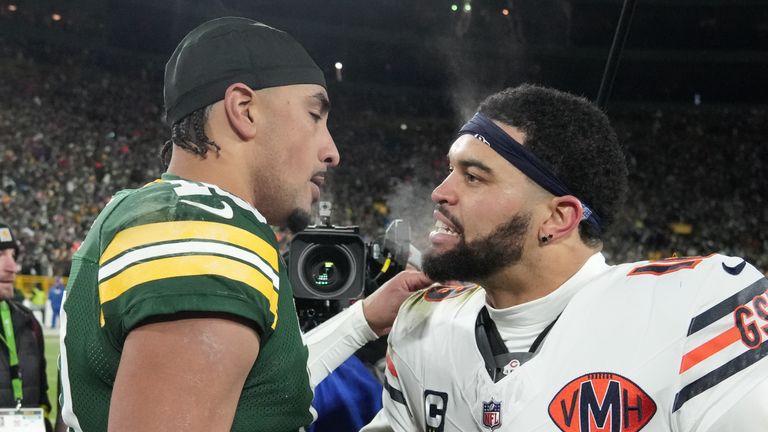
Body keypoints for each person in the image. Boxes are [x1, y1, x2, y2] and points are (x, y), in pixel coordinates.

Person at [59, 17, 430, 432]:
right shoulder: (208, 232)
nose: (332, 150)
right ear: (244, 110)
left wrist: (363, 319)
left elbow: (255, 390)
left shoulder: (151, 210)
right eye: (314, 115)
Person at [364, 84, 768, 431]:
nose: (440, 192)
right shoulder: (422, 322)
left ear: (558, 218)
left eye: (473, 177)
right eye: (450, 170)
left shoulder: (696, 308)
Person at [0, 222, 52, 431]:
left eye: (13, 256)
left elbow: (41, 397)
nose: (12, 267)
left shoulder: (28, 321)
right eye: (1, 254)